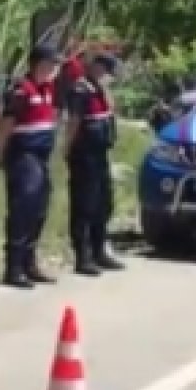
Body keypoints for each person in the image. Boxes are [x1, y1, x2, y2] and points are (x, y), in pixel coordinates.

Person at [0, 43, 61, 288]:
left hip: (41, 158)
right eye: (50, 65)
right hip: (23, 156)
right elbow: (6, 124)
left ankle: (29, 261)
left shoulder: (47, 88)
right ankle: (13, 267)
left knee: (39, 209)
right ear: (38, 64)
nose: (53, 69)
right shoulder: (21, 90)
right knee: (22, 209)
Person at [65, 53, 125, 277]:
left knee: (103, 203)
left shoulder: (100, 90)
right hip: (84, 154)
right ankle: (83, 256)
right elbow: (74, 122)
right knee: (85, 206)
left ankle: (100, 250)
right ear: (96, 67)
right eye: (106, 72)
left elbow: (111, 110)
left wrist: (105, 88)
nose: (108, 77)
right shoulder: (80, 89)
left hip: (100, 154)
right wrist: (67, 148)